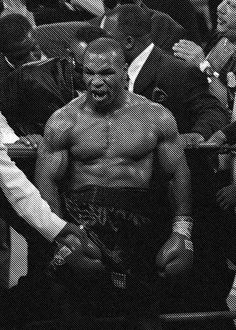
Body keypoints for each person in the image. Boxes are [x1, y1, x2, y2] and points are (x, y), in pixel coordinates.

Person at [35, 37, 193, 330]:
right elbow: (47, 180)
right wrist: (61, 237)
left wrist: (183, 232)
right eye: (88, 72)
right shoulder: (63, 121)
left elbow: (176, 173)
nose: (96, 81)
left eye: (106, 72)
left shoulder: (155, 117)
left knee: (143, 316)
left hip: (140, 225)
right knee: (76, 313)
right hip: (82, 221)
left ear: (125, 74)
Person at [102, 5, 235, 330]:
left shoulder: (174, 70)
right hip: (128, 201)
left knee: (194, 293)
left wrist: (198, 134)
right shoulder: (103, 75)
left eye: (107, 36)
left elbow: (215, 112)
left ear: (128, 41)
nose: (100, 44)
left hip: (177, 199)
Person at [172, 0, 236, 111]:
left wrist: (203, 66)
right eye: (224, 1)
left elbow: (232, 105)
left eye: (233, 6)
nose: (220, 8)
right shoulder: (220, 34)